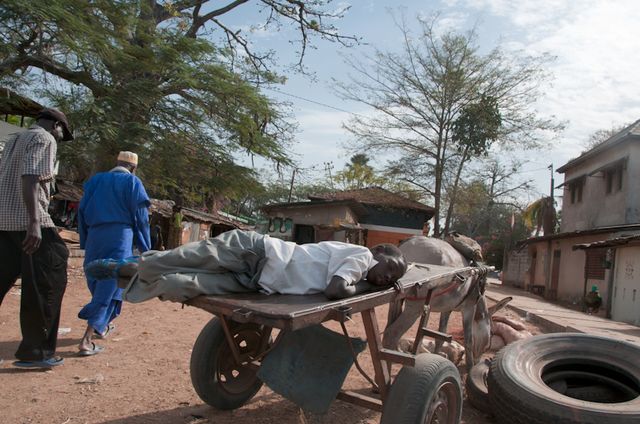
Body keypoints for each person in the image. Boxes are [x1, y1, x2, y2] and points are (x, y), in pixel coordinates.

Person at [85, 230, 408, 303]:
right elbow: (335, 290)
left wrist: (372, 284)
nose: (387, 278)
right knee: (182, 258)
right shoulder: (362, 258)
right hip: (257, 252)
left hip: (259, 283)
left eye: (392, 279)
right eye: (390, 267)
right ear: (378, 250)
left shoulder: (363, 270)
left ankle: (125, 274)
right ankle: (125, 265)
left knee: (180, 285)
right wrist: (368, 285)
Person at [0, 108, 74, 368]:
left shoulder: (14, 139)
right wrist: (34, 222)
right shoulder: (44, 138)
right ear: (56, 126)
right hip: (29, 222)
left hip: (4, 223)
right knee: (48, 281)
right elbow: (30, 176)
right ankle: (37, 352)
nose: (60, 139)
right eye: (62, 134)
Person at [77, 151, 151, 356]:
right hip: (119, 236)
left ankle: (101, 324)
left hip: (94, 236)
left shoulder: (95, 181)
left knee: (96, 276)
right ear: (133, 168)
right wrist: (146, 248)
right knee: (110, 283)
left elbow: (81, 211)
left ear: (116, 163)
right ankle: (86, 339)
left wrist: (85, 239)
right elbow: (141, 218)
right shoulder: (133, 183)